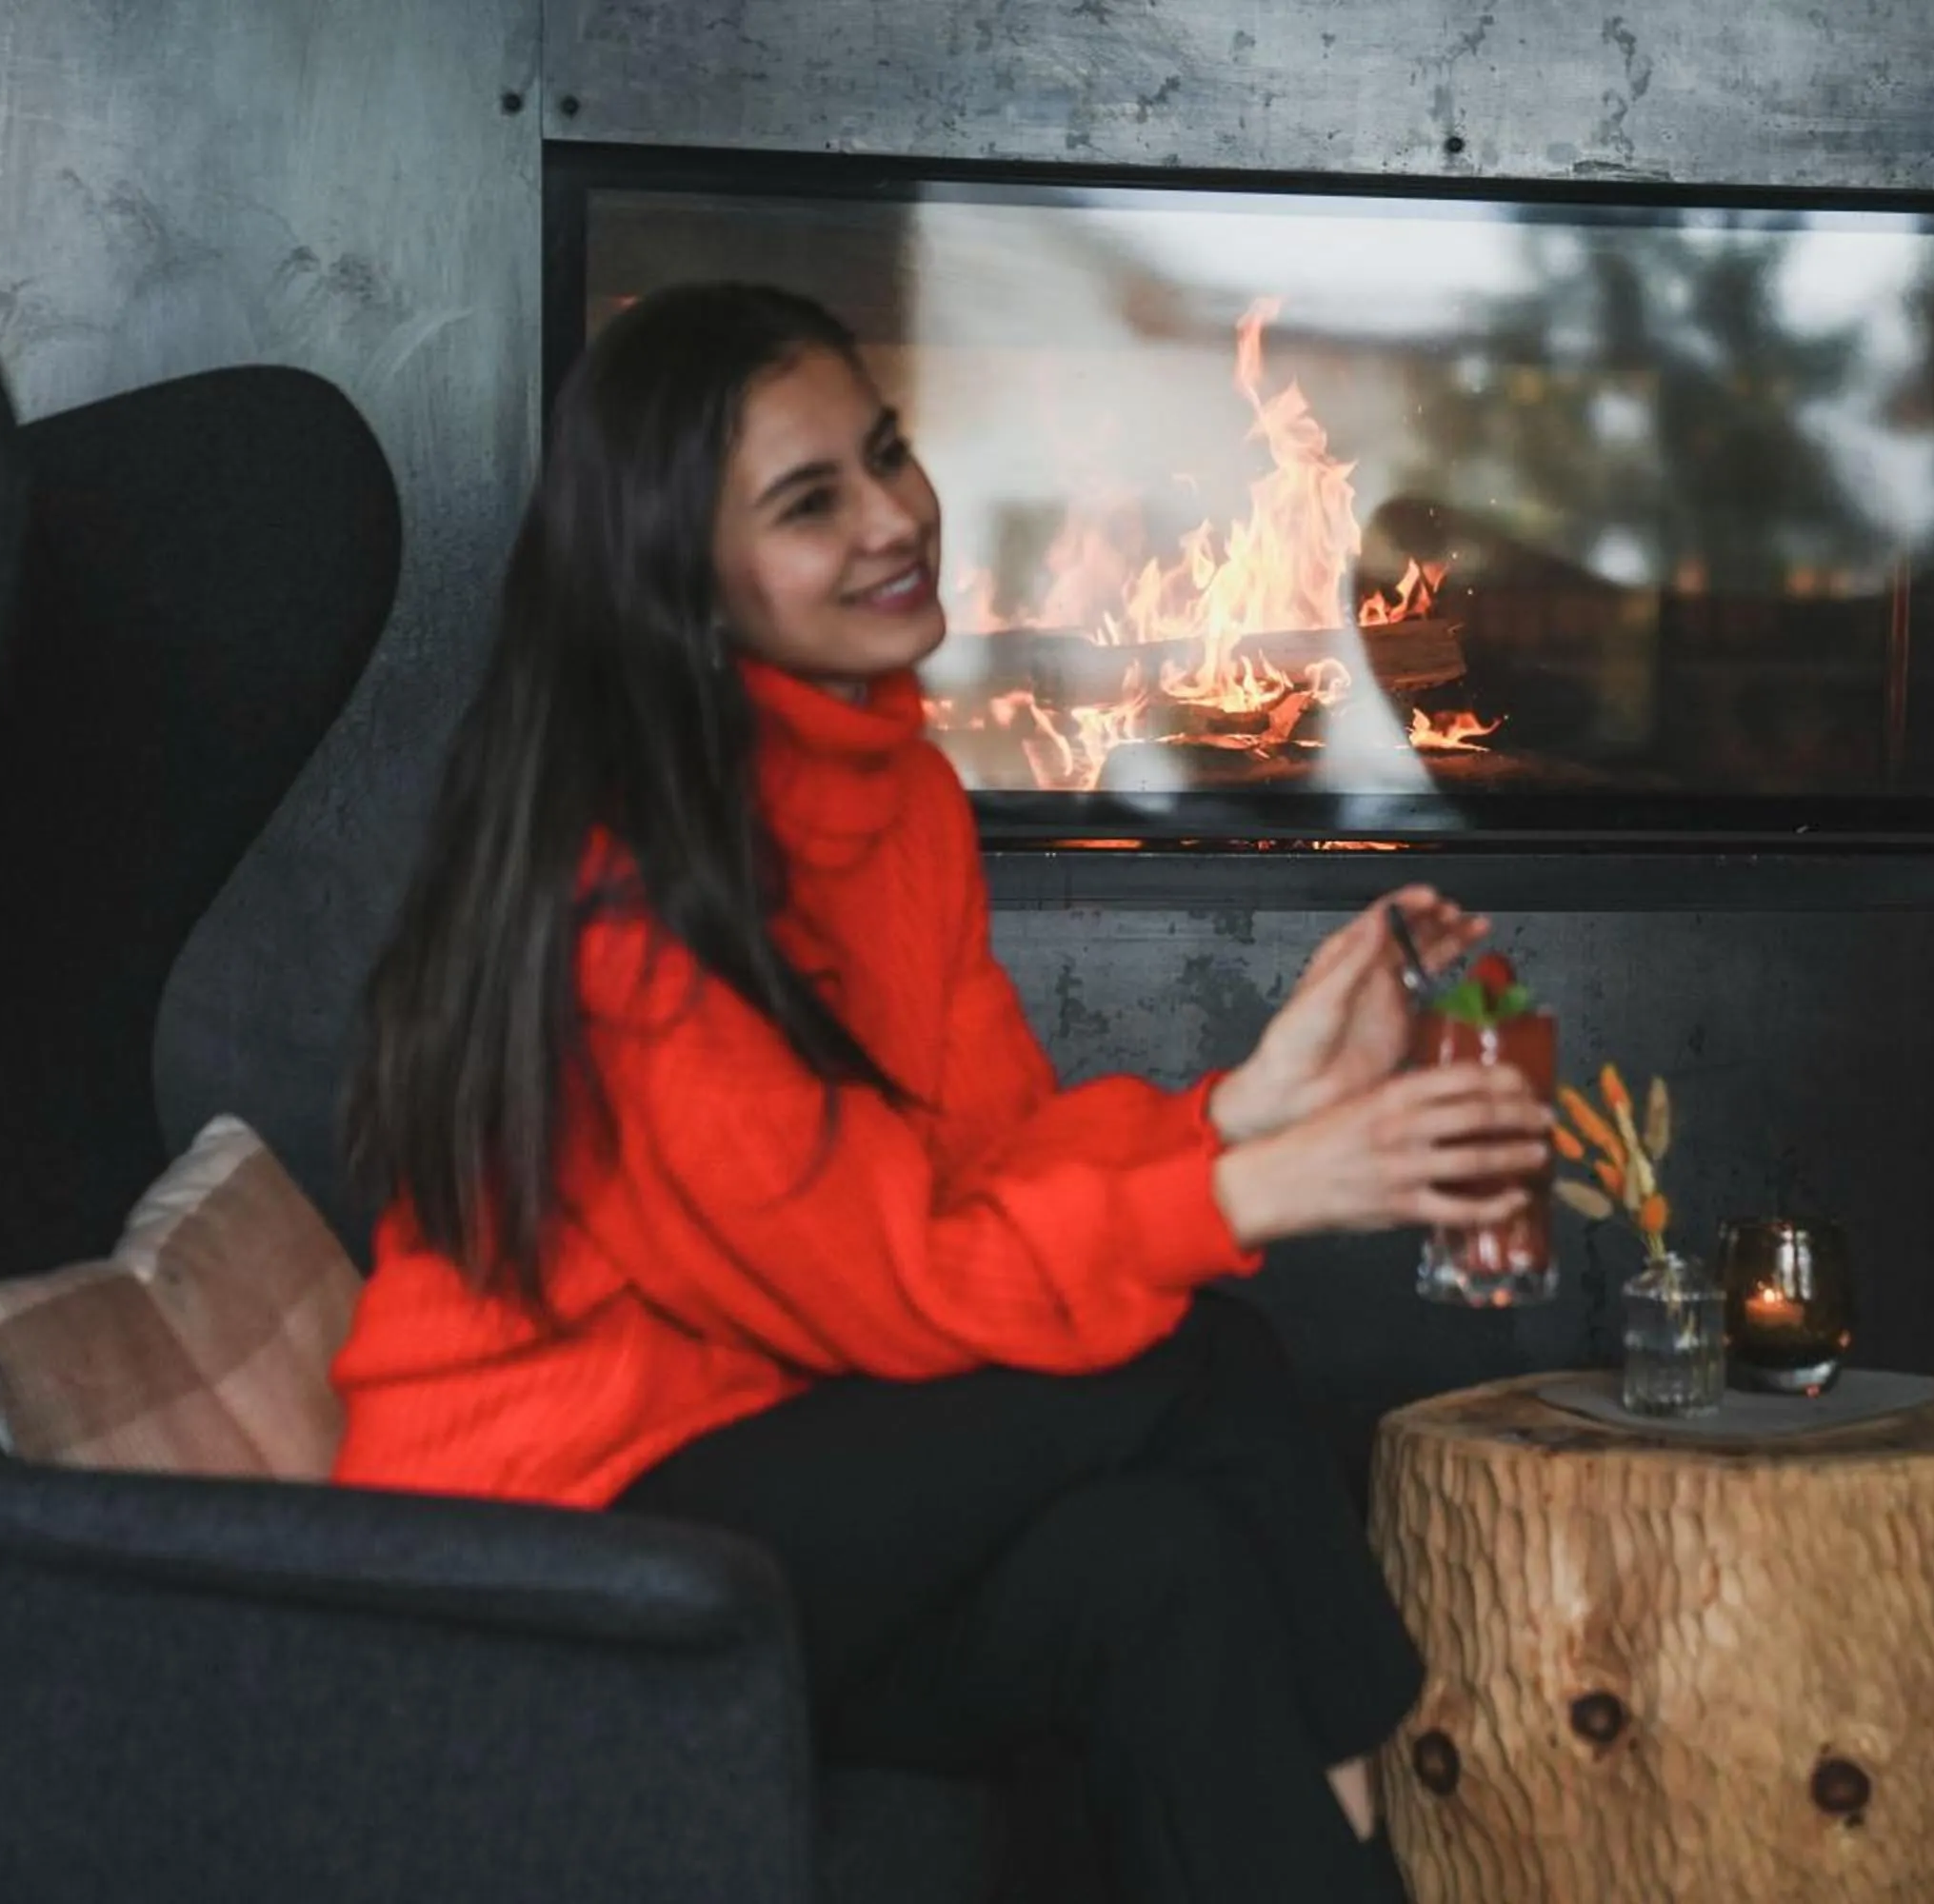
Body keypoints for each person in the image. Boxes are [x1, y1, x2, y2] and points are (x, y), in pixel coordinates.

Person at [329, 282, 1550, 1903]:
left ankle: (1339, 1840)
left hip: (770, 1465)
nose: (898, 516)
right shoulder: (624, 906)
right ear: (680, 585)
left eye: (887, 454)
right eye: (807, 500)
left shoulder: (891, 794)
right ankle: (1365, 1829)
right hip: (545, 1555)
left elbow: (980, 1163)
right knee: (1199, 1356)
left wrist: (1240, 1110)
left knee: (1153, 1573)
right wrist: (1253, 1195)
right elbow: (899, 1296)